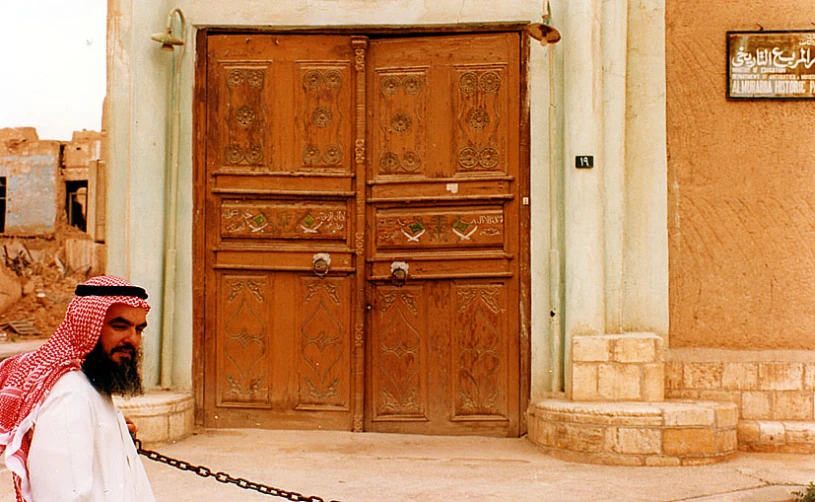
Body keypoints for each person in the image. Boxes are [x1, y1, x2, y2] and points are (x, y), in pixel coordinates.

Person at [0, 275, 156, 502]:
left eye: (139, 329)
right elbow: (62, 496)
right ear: (87, 327)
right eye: (120, 326)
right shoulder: (70, 395)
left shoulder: (92, 386)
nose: (132, 339)